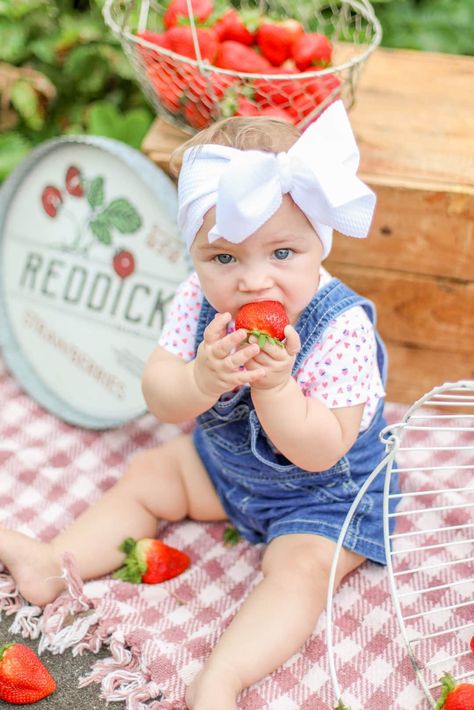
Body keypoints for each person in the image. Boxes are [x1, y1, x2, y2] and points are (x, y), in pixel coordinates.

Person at [0, 100, 398, 710]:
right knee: (151, 473)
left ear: (320, 244)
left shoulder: (338, 327)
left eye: (282, 254)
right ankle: (55, 565)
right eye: (224, 258)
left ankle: (222, 678)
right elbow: (159, 396)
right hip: (228, 471)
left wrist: (275, 387)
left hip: (326, 498)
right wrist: (200, 379)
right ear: (195, 255)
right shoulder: (196, 298)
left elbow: (321, 451)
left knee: (299, 572)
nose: (253, 280)